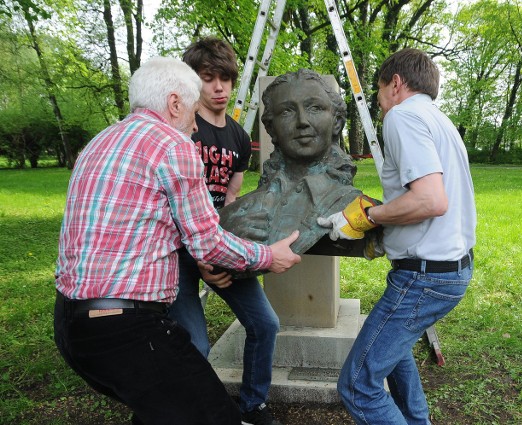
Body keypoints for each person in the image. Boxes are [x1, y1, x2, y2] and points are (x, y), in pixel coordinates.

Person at [53, 56, 301, 425]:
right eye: (192, 109)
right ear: (174, 103)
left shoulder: (98, 141)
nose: (194, 124)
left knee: (161, 411)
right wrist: (269, 256)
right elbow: (208, 244)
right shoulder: (173, 145)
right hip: (126, 328)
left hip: (70, 322)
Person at [318, 48, 477, 425]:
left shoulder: (403, 116)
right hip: (449, 269)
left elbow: (430, 199)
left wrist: (366, 217)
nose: (379, 103)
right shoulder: (439, 120)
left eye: (378, 93)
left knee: (357, 385)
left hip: (425, 277)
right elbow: (431, 195)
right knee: (395, 352)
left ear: (396, 83)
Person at [169, 36, 283, 425]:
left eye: (225, 79)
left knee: (266, 324)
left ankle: (252, 405)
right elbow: (168, 204)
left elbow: (230, 200)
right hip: (175, 252)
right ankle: (178, 412)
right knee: (195, 345)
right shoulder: (180, 127)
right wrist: (201, 257)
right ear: (192, 81)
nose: (218, 87)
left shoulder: (237, 137)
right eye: (207, 78)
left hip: (217, 246)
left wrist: (227, 252)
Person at [219, 68, 374, 260]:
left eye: (315, 108)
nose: (302, 121)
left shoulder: (358, 206)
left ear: (337, 122)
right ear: (271, 129)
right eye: (286, 111)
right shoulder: (241, 212)